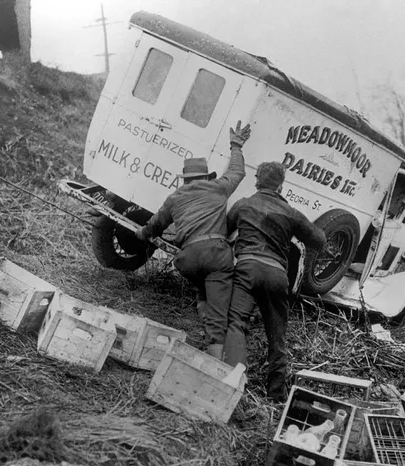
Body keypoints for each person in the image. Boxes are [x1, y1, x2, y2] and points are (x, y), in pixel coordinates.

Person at [135, 121, 251, 360]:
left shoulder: (175, 197)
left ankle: (206, 322)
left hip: (187, 260)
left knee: (203, 290)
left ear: (185, 179)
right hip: (216, 256)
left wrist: (141, 234)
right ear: (206, 176)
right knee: (219, 314)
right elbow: (238, 172)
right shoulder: (218, 188)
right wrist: (236, 145)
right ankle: (213, 365)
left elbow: (155, 225)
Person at [223, 162, 326, 402]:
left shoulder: (244, 204)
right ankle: (276, 394)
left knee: (236, 323)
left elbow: (224, 229)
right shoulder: (291, 213)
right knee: (277, 337)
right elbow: (319, 241)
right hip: (277, 276)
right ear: (281, 185)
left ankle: (234, 382)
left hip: (247, 268)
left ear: (257, 180)